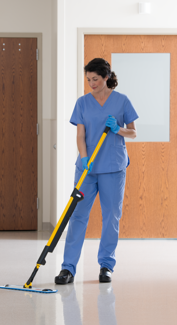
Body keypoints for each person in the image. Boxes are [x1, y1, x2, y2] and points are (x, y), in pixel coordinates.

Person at [55, 58, 138, 284]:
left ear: (107, 77)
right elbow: (80, 135)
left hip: (114, 167)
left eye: (95, 79)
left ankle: (106, 266)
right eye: (88, 79)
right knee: (78, 216)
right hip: (87, 168)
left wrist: (117, 129)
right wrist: (83, 158)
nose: (91, 83)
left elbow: (133, 133)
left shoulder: (122, 101)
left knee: (111, 217)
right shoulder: (82, 103)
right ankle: (68, 268)